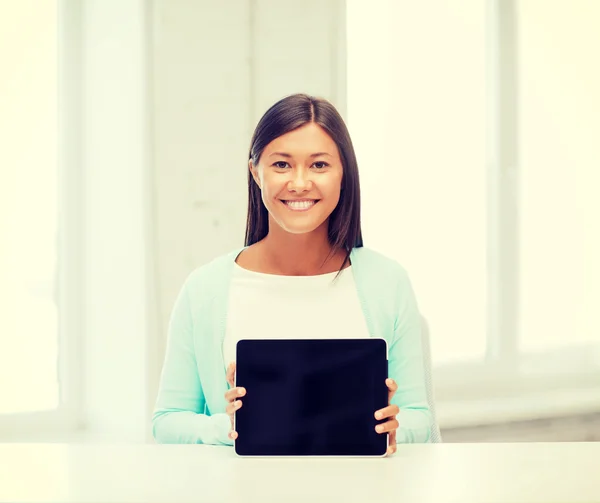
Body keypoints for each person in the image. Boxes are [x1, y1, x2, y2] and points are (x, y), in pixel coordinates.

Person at [152, 93, 432, 454]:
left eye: (319, 165)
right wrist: (234, 425)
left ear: (343, 173)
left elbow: (419, 417)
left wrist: (394, 427)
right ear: (256, 171)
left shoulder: (387, 281)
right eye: (282, 165)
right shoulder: (205, 288)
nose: (300, 183)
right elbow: (168, 419)